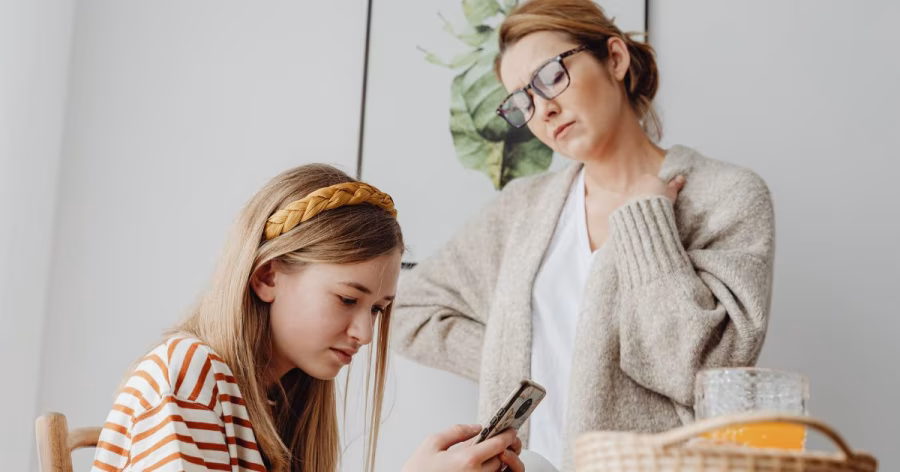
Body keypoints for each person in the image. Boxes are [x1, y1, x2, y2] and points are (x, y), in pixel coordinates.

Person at [391, 0, 776, 470]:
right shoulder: (521, 210)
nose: (544, 110)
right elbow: (408, 309)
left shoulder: (726, 196)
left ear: (615, 58)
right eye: (523, 101)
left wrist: (647, 218)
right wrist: (514, 360)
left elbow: (702, 371)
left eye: (551, 76)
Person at [90, 163, 524, 472]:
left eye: (377, 309)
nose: (365, 333)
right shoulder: (189, 375)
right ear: (267, 277)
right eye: (347, 299)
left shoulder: (281, 407)